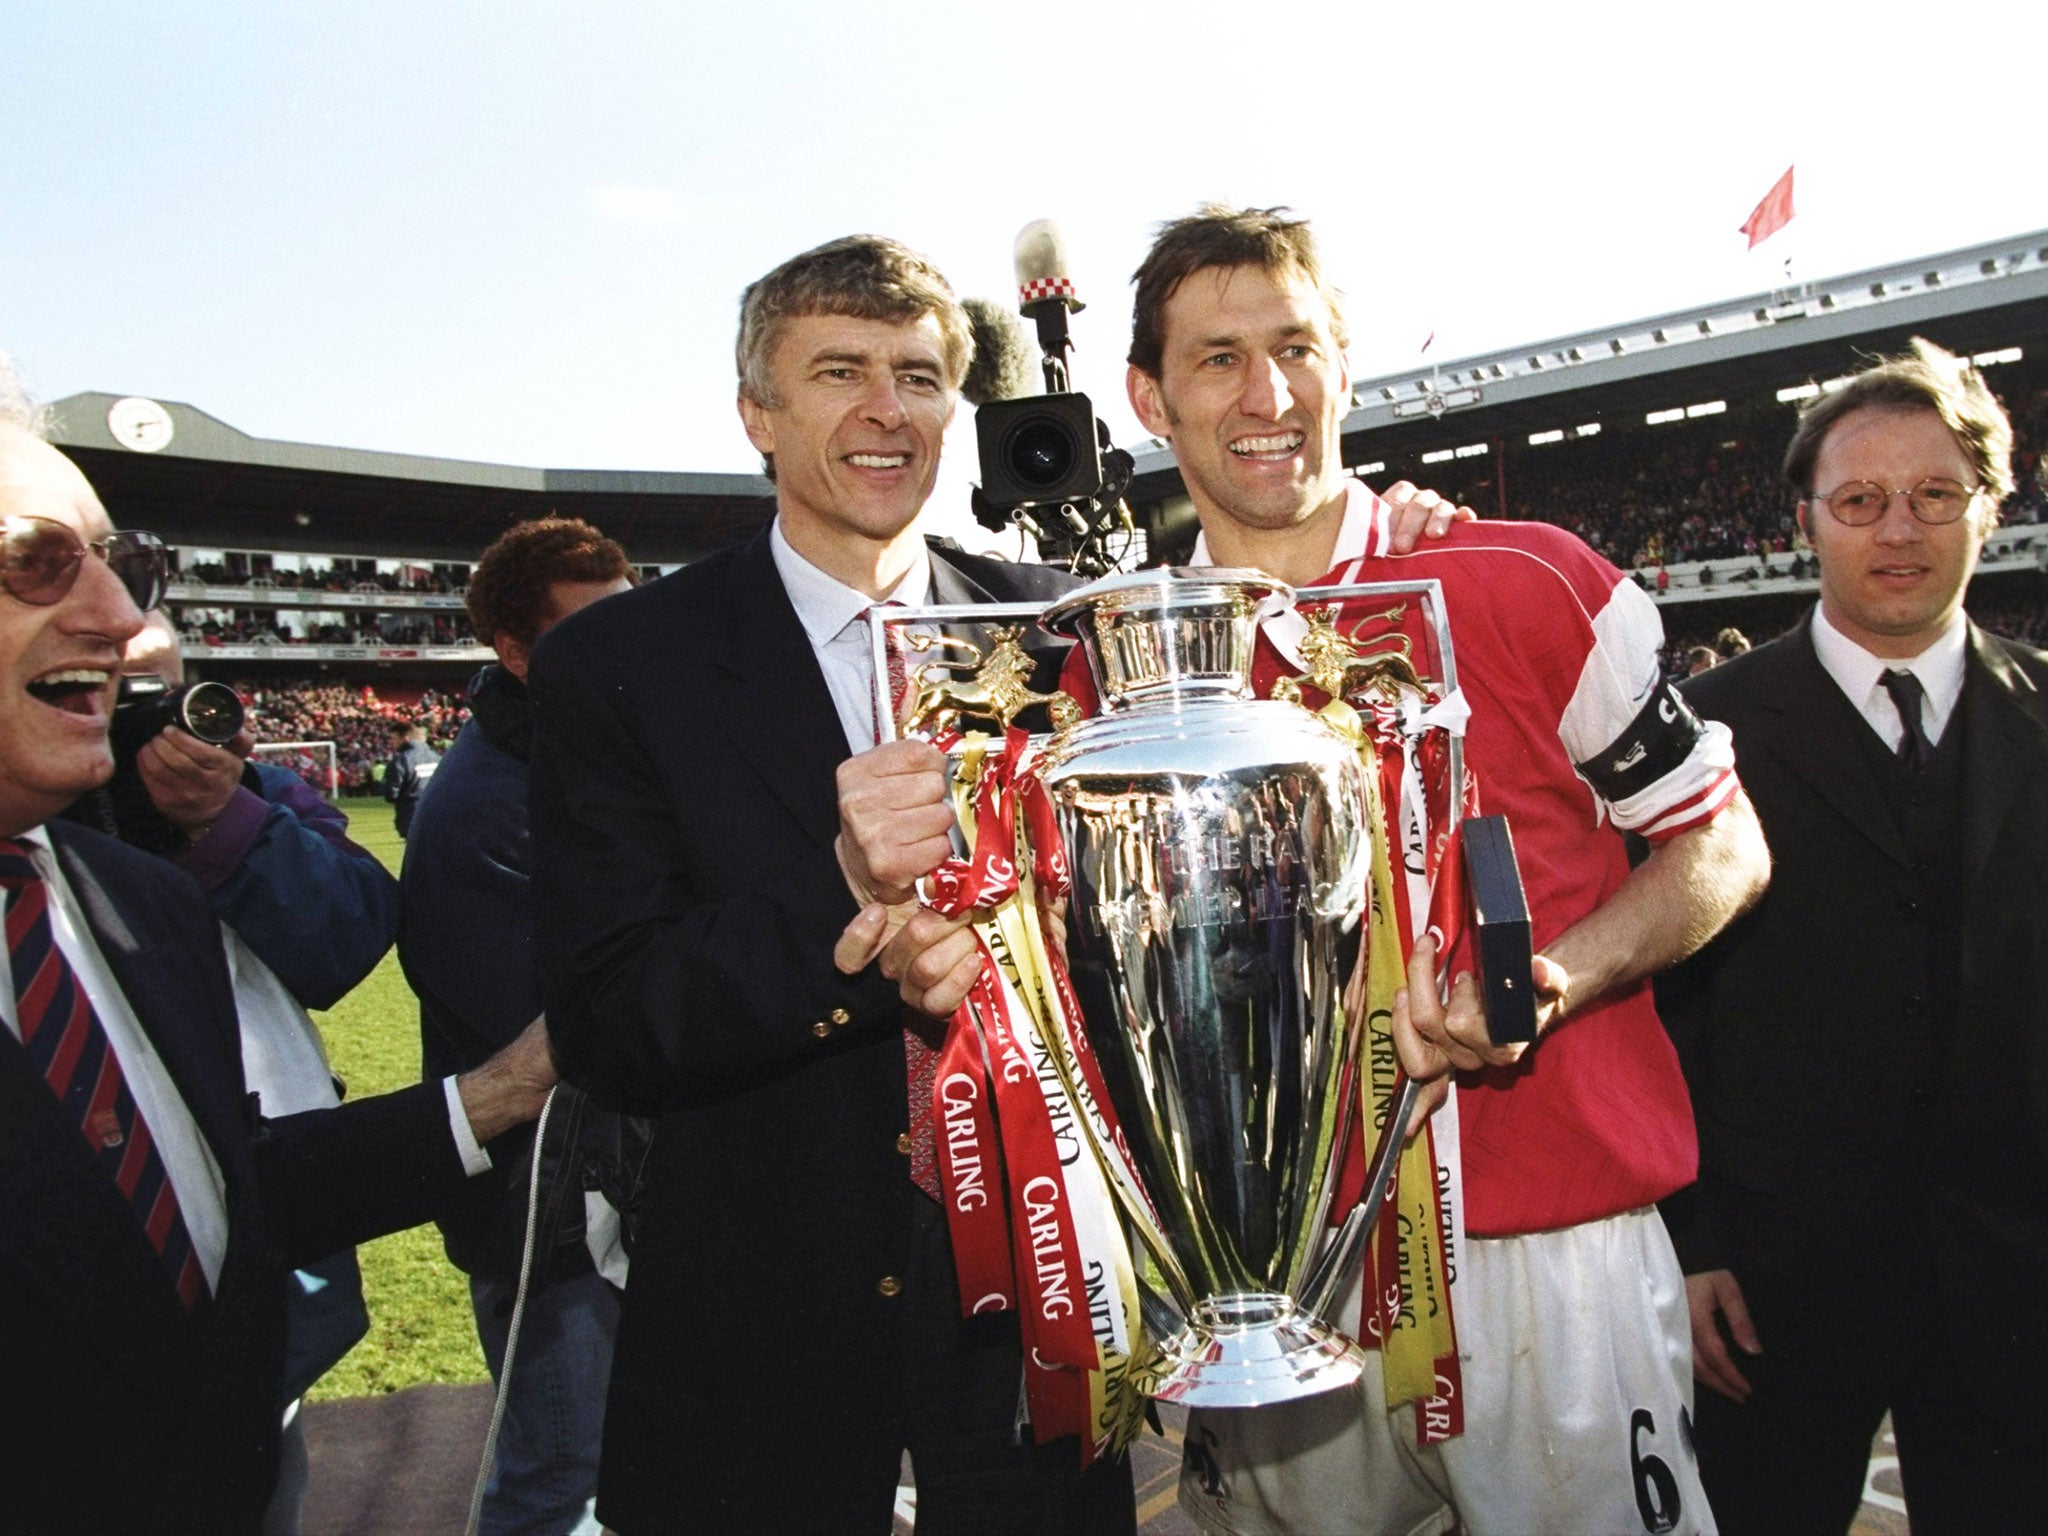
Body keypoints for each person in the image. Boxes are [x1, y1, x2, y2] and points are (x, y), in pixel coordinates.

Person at [844, 205, 1770, 1536]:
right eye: (1218, 358)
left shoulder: (1519, 578)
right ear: (1148, 397)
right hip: (1259, 1273)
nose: (1268, 394)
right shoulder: (1100, 671)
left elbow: (1724, 842)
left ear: (1346, 364)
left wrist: (1559, 975)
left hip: (1545, 1250)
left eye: (1296, 347)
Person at [527, 235, 1126, 1535]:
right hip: (758, 1322)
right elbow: (610, 1022)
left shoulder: (1056, 634)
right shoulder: (623, 665)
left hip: (1031, 1311)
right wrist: (843, 899)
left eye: (917, 376)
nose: (885, 410)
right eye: (839, 371)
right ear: (758, 409)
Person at [0, 406, 559, 1532]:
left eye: (126, 567)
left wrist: (501, 1092)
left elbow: (223, 1200)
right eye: (32, 559)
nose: (119, 618)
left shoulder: (137, 898)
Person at [1655, 339, 2048, 1534]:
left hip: (2012, 1282)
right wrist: (1690, 1241)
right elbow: (1656, 1007)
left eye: (1934, 496)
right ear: (1803, 520)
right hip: (1769, 1287)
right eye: (1861, 500)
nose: (1898, 530)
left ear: (1989, 507)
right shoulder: (1696, 731)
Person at [66, 606, 402, 1534]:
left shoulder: (248, 796)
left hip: (263, 1215)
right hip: (91, 1254)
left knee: (260, 1483)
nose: (141, 723)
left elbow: (351, 934)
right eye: (103, 695)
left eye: (157, 696)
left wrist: (226, 822)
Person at [401, 516, 633, 1536]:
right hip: (541, 1218)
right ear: (515, 652)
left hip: (609, 1196)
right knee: (555, 1483)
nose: (626, 653)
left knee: (628, 1463)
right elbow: (564, 1038)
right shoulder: (480, 811)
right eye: (592, 634)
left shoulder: (583, 756)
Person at [382, 719, 439, 837]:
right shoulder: (436, 757)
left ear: (405, 738)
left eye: (393, 738)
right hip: (437, 812)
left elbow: (391, 793)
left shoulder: (402, 760)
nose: (391, 742)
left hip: (411, 813)